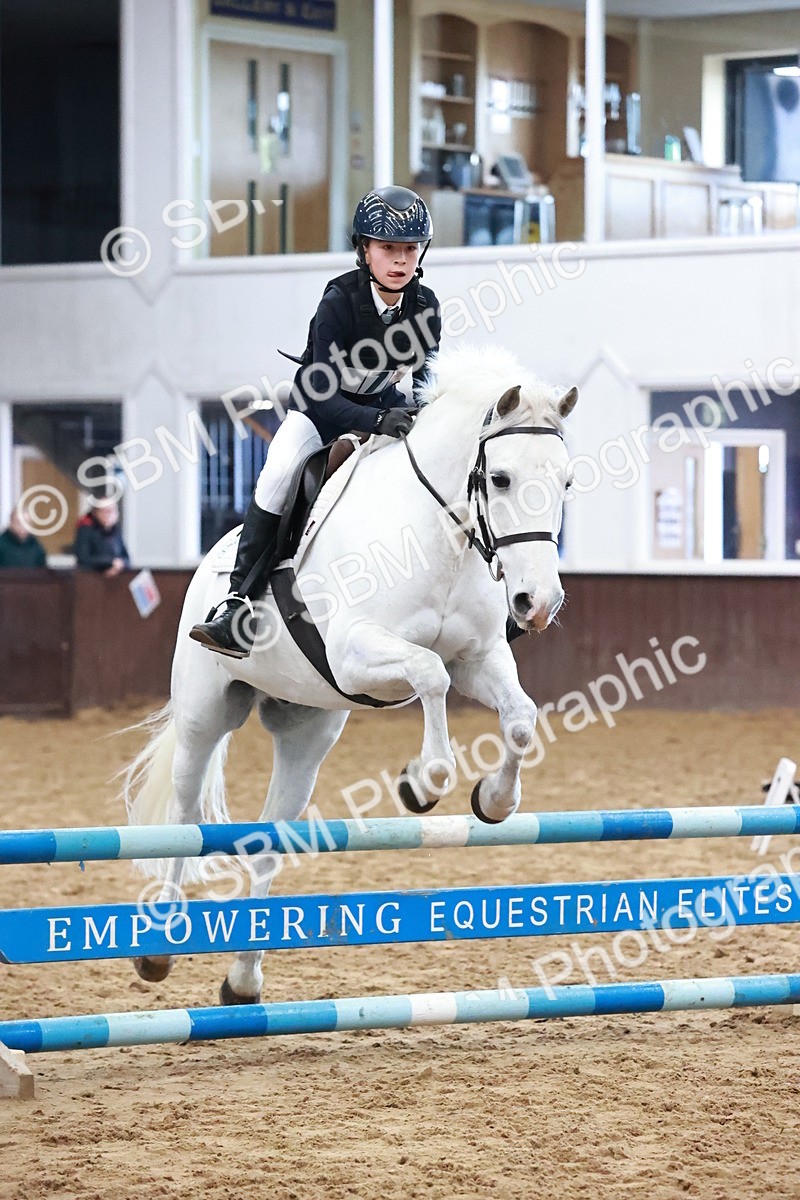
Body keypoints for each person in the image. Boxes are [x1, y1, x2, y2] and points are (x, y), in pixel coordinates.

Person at [191, 185, 442, 659]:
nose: (400, 260)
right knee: (278, 473)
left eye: (410, 249)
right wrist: (378, 418)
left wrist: (425, 420)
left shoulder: (425, 306)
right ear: (364, 250)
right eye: (388, 248)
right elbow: (324, 396)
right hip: (319, 414)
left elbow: (429, 386)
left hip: (382, 412)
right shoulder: (339, 302)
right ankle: (236, 605)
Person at [74, 499, 130, 576]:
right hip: (91, 578)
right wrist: (111, 562)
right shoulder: (86, 529)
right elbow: (83, 559)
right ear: (96, 512)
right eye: (105, 511)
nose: (109, 515)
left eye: (112, 511)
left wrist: (120, 565)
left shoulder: (116, 531)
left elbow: (126, 558)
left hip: (117, 578)